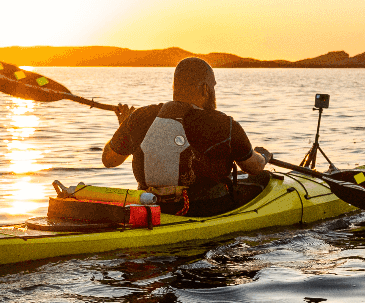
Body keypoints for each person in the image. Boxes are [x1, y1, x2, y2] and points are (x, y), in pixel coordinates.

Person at [101, 57, 271, 215]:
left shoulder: (139, 117)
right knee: (264, 178)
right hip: (204, 209)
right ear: (205, 89)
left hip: (152, 209)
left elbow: (109, 160)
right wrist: (263, 156)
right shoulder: (223, 123)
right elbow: (253, 167)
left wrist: (125, 125)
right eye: (213, 87)